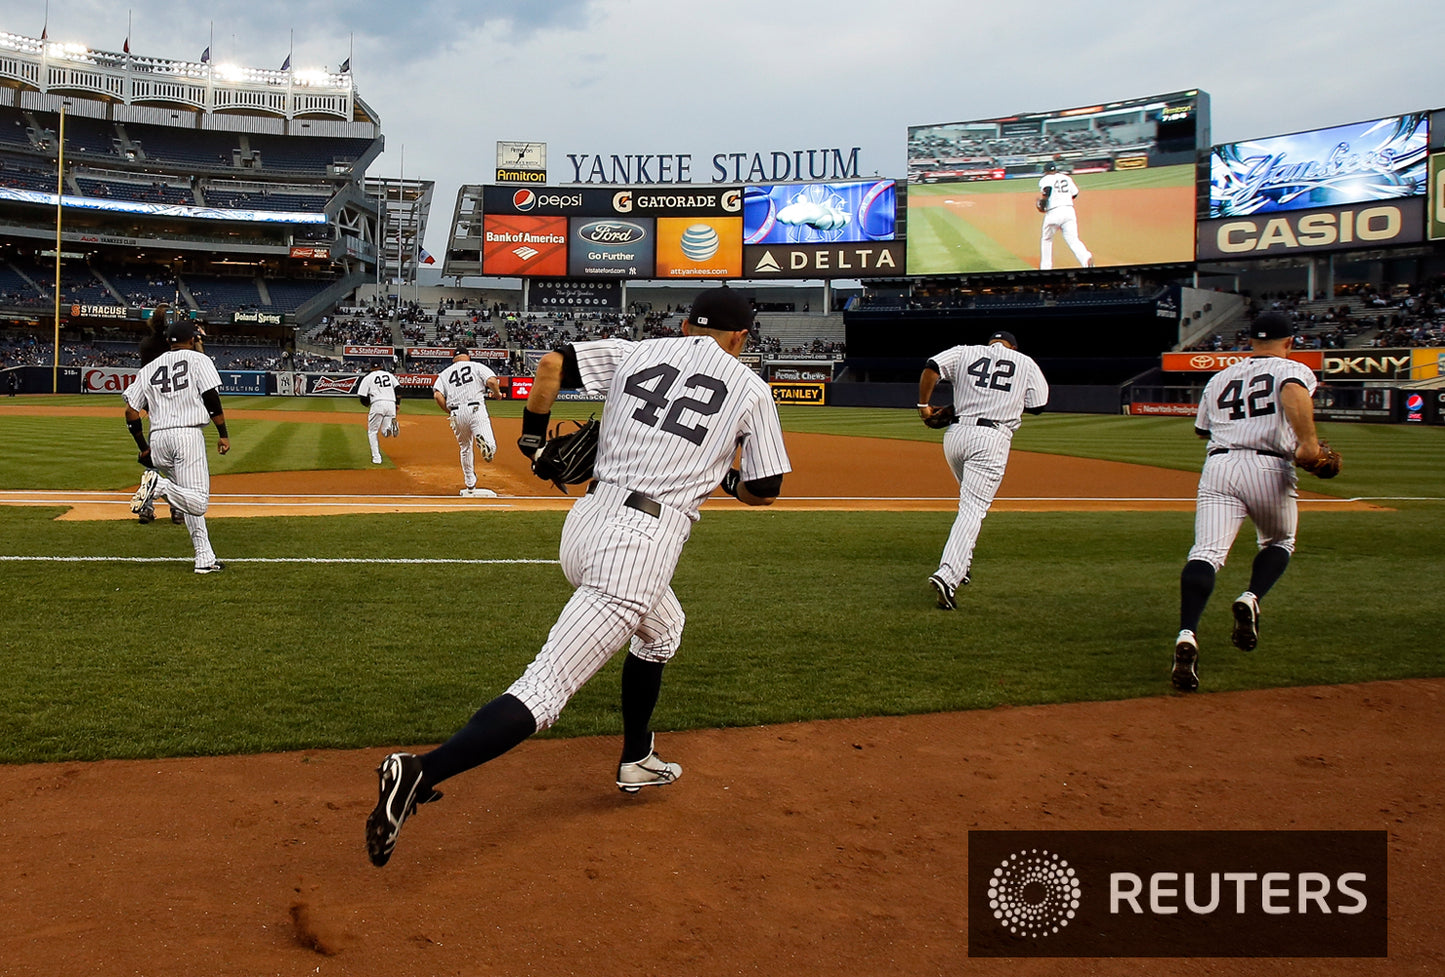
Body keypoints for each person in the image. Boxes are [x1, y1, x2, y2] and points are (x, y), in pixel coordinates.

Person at [367, 286, 791, 868]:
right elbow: (766, 491)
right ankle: (419, 770)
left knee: (665, 629)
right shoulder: (748, 386)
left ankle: (637, 756)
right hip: (641, 542)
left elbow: (549, 364)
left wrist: (534, 439)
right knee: (546, 689)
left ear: (688, 326)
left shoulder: (637, 350)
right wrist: (720, 475)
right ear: (740, 337)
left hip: (586, 522)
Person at [1172, 311, 1323, 692]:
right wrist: (1308, 443)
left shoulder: (1220, 376)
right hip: (1269, 466)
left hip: (1219, 465)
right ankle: (1251, 597)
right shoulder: (1292, 369)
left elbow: (1200, 430)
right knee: (1278, 542)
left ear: (1251, 342)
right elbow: (1292, 390)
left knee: (1205, 553)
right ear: (1289, 342)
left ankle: (1187, 633)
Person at [917, 330, 1048, 610]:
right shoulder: (1024, 361)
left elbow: (932, 366)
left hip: (955, 435)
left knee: (968, 503)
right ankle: (947, 574)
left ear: (990, 343)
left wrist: (923, 406)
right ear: (1012, 346)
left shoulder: (965, 351)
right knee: (973, 509)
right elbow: (1038, 405)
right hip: (991, 437)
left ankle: (962, 564)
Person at [124, 319, 230, 574]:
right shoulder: (199, 360)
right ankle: (157, 485)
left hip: (158, 438)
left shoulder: (149, 369)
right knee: (199, 502)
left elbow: (130, 412)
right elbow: (210, 397)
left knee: (186, 498)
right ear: (192, 340)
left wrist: (144, 447)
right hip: (187, 436)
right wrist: (223, 434)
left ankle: (204, 557)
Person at [432, 348, 501, 497]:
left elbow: (437, 395)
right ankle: (486, 445)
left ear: (453, 359)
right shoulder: (476, 366)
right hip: (475, 408)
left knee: (465, 448)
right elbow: (491, 381)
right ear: (468, 356)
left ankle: (470, 483)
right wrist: (497, 394)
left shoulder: (444, 373)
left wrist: (449, 412)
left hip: (456, 412)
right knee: (491, 445)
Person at [1036, 162, 1093, 270]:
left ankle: (1046, 267)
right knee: (1073, 240)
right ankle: (1086, 258)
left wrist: (1042, 204)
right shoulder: (1066, 178)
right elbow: (1075, 194)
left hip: (1054, 212)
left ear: (1046, 171)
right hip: (1069, 210)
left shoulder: (1046, 179)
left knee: (1047, 239)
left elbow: (1047, 190)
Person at [357, 362, 400, 465]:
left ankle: (377, 458)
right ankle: (391, 427)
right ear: (382, 366)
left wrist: (368, 405)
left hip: (377, 403)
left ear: (371, 367)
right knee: (385, 432)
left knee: (372, 432)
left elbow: (362, 395)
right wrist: (397, 404)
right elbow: (398, 388)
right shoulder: (389, 375)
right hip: (391, 403)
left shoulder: (369, 377)